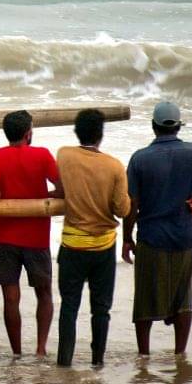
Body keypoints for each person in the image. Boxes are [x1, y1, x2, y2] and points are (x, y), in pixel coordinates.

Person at [122, 101, 192, 356]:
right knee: (183, 297)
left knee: (145, 298)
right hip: (183, 234)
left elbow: (132, 203)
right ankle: (179, 353)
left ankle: (144, 355)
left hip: (151, 237)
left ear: (153, 126)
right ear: (178, 127)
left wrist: (127, 238)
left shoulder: (140, 158)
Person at [0, 110, 63, 357]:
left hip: (4, 235)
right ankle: (40, 349)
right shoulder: (42, 155)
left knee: (10, 298)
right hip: (36, 236)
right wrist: (44, 196)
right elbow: (62, 187)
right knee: (44, 293)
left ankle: (16, 352)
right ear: (29, 133)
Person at [55, 108, 130, 367]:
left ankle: (64, 361)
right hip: (103, 247)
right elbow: (122, 210)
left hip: (72, 244)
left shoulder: (64, 155)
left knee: (69, 307)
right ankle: (97, 361)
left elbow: (61, 188)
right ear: (101, 135)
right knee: (101, 310)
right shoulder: (114, 166)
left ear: (77, 132)